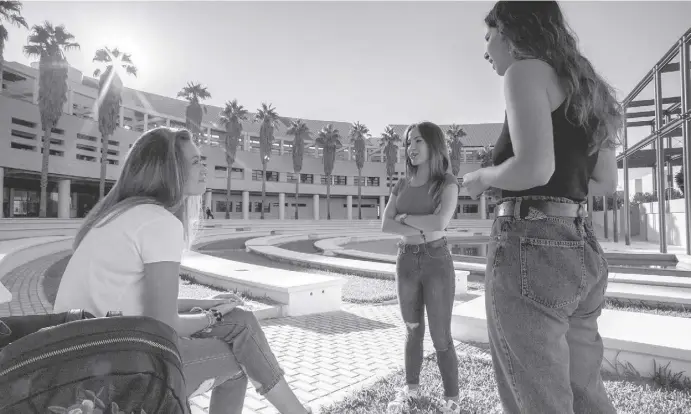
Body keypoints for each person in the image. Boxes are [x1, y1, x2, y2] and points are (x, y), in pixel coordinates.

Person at [53, 127, 312, 414]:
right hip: (118, 370)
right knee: (240, 360)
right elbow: (165, 326)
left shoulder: (119, 215)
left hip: (84, 356)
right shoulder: (159, 222)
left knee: (240, 318)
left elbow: (143, 308)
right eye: (195, 162)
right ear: (169, 170)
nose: (204, 168)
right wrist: (212, 315)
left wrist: (206, 304)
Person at [461, 2, 621, 413]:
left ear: (510, 30)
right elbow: (605, 182)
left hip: (531, 247)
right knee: (586, 394)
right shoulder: (589, 88)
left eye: (488, 35)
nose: (486, 49)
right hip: (580, 247)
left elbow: (534, 167)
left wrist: (485, 178)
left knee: (539, 401)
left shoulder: (524, 71)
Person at [381, 121, 462, 414]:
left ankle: (452, 399)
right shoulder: (401, 184)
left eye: (417, 141)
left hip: (436, 260)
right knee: (412, 328)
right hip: (406, 261)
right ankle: (411, 390)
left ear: (433, 144)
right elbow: (385, 225)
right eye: (408, 143)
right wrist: (415, 220)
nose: (411, 148)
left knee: (441, 335)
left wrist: (404, 218)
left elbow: (440, 222)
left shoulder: (447, 182)